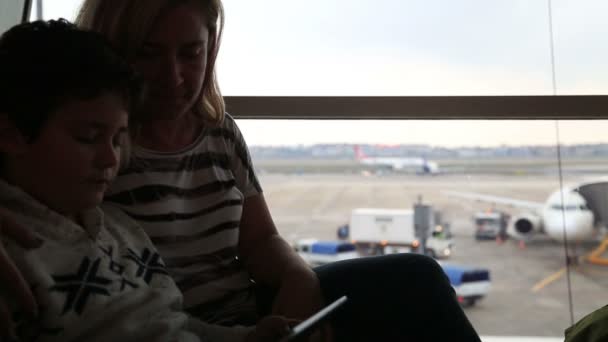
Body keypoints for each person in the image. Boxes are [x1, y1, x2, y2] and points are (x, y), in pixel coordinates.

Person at [1, 1, 481, 341]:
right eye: (148, 52)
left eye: (191, 53)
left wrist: (299, 280)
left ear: (212, 49)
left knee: (415, 278)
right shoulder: (75, 145)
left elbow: (259, 242)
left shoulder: (218, 133)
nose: (173, 77)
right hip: (156, 321)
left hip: (243, 314)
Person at [0, 18, 291, 342]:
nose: (111, 159)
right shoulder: (15, 257)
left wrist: (247, 338)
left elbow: (171, 324)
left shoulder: (123, 231)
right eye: (87, 137)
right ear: (10, 135)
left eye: (117, 139)